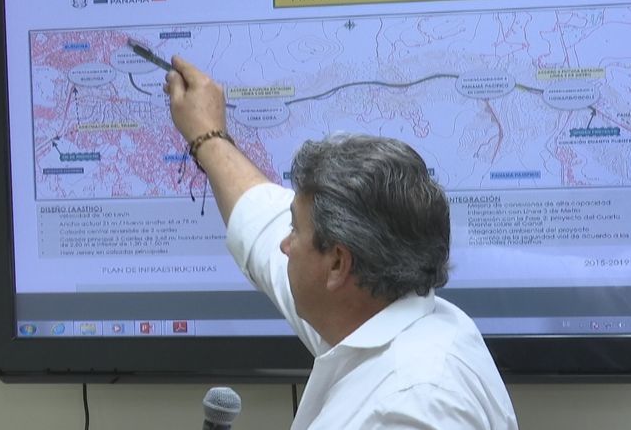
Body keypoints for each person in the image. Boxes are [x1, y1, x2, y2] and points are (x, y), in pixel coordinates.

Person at [165, 56, 518, 430]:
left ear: (337, 263)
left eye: (294, 230)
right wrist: (207, 134)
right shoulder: (387, 318)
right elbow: (259, 220)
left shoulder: (410, 408)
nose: (284, 245)